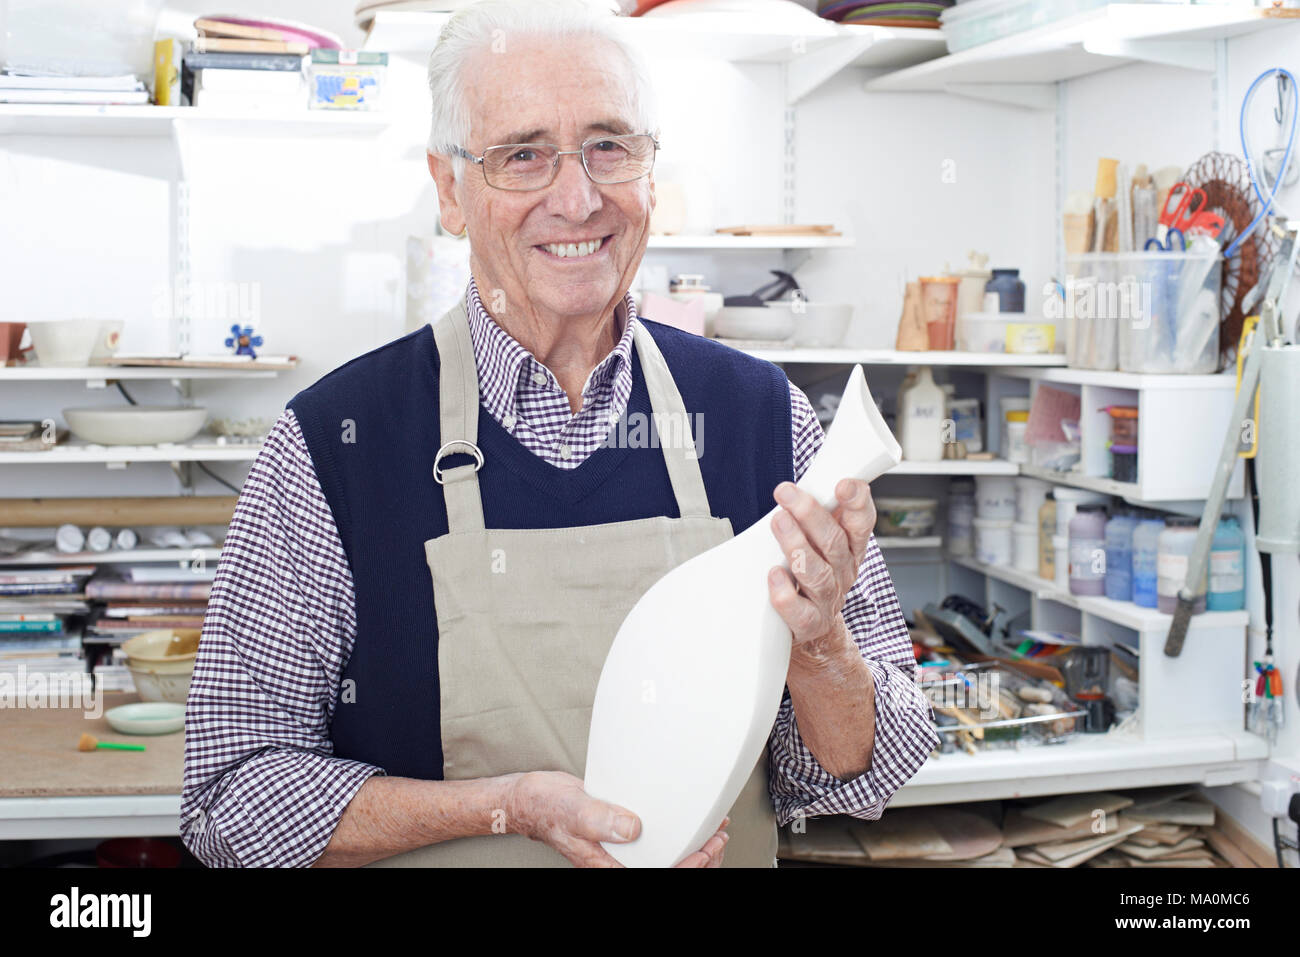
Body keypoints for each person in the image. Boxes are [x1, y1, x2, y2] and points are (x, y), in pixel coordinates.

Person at [181, 0, 937, 868]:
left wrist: (820, 642)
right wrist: (506, 809)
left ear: (652, 170)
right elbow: (230, 801)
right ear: (449, 190)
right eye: (523, 155)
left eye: (609, 145)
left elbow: (859, 773)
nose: (576, 199)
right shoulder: (332, 447)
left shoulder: (763, 418)